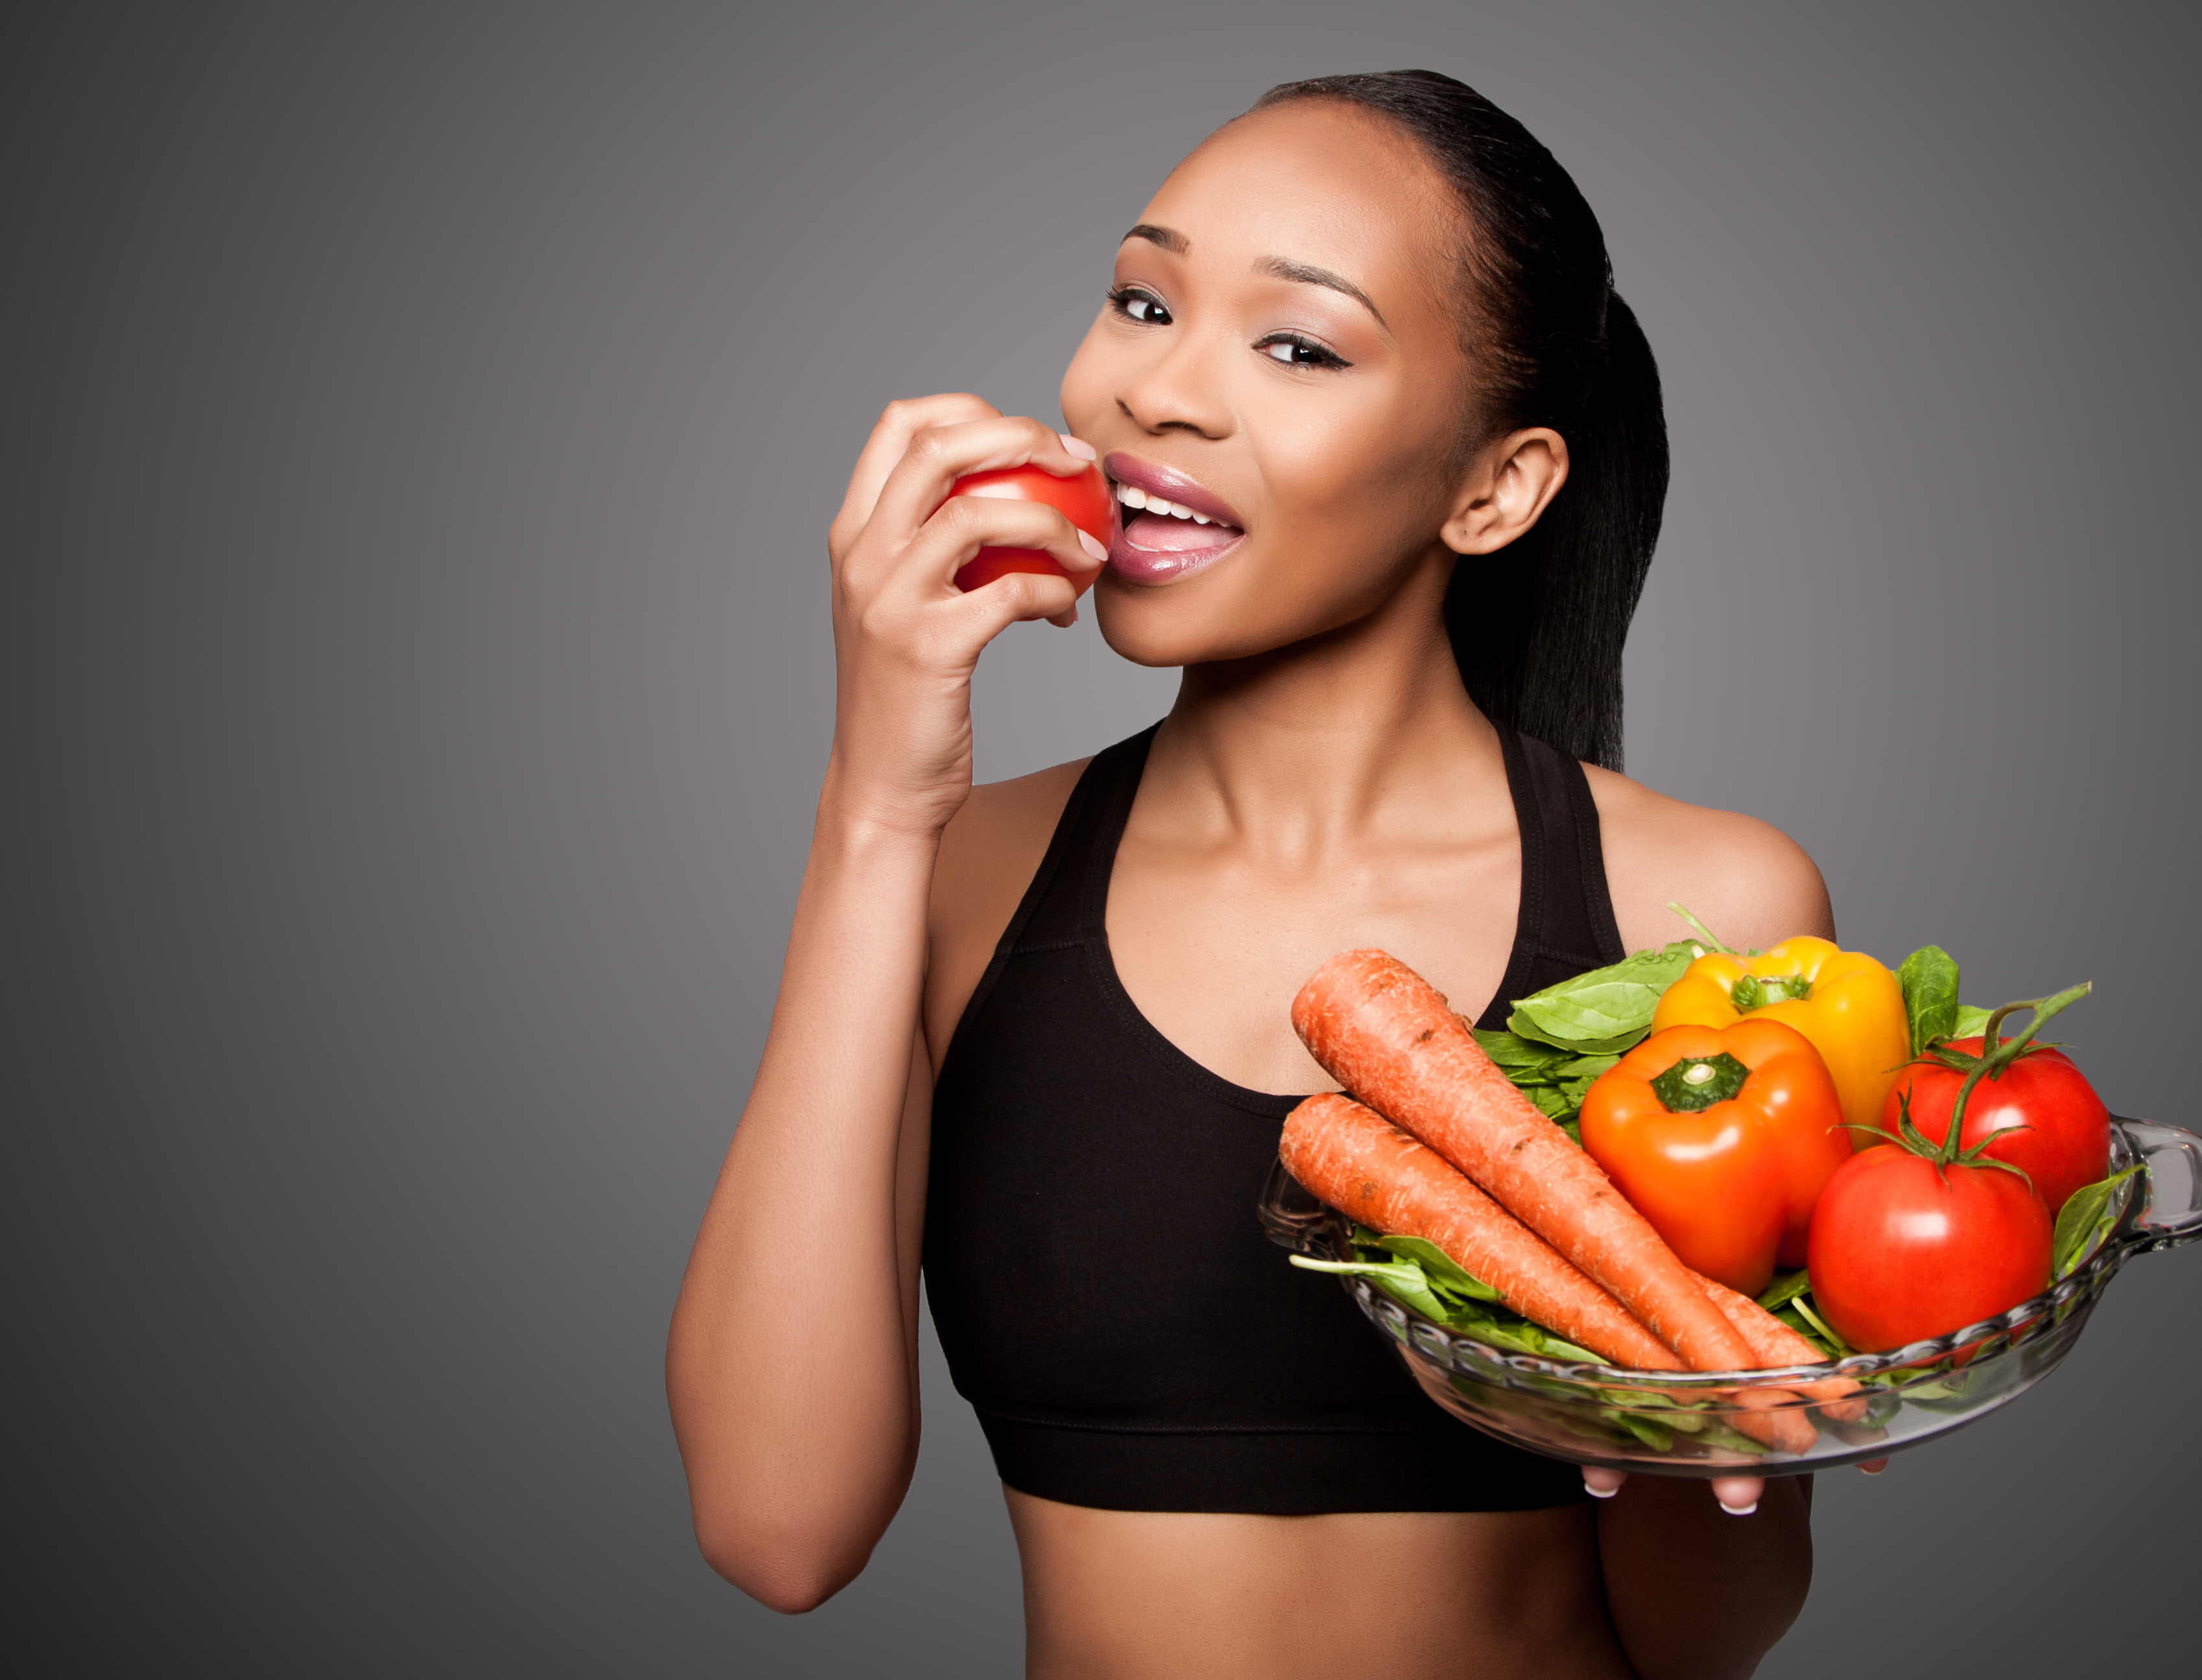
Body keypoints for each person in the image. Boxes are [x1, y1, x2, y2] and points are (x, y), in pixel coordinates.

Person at [668, 70, 1829, 1679]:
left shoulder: (1708, 911)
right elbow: (776, 1530)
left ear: (1495, 488)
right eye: (1144, 301)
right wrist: (873, 809)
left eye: (1296, 345)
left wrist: (1688, 1372)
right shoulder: (954, 877)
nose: (1159, 393)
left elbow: (1702, 1637)